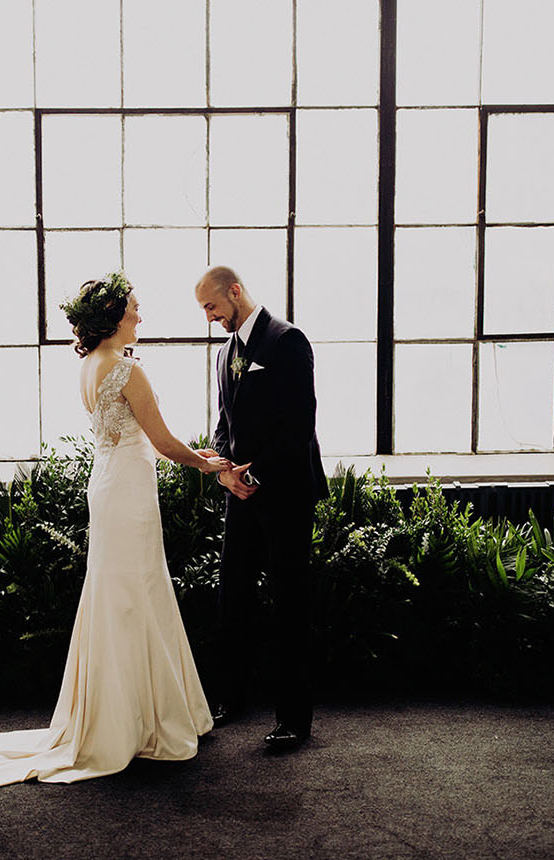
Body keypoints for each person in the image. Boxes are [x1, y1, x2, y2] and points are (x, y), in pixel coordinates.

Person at [0, 272, 229, 791]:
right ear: (113, 316)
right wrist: (205, 463)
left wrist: (192, 454)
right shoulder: (128, 370)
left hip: (109, 485)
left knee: (120, 594)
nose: (140, 316)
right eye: (134, 308)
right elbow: (160, 441)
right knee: (136, 593)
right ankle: (142, 718)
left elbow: (138, 439)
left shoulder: (91, 366)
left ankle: (130, 712)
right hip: (129, 492)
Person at [193, 265, 328, 751]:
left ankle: (294, 719)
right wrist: (223, 470)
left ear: (234, 291)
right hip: (241, 496)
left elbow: (300, 425)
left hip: (286, 494)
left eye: (212, 306)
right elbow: (224, 424)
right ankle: (229, 699)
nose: (210, 318)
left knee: (289, 603)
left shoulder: (288, 340)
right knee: (232, 598)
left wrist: (252, 475)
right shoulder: (225, 352)